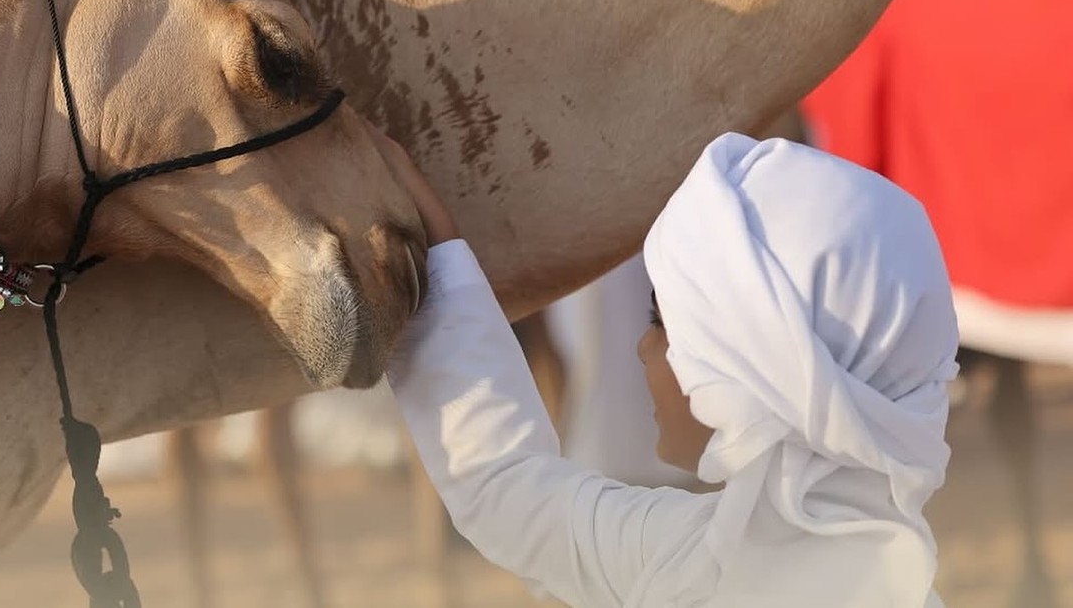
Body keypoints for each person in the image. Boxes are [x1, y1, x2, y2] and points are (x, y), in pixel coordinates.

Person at [370, 128, 959, 607]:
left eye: (665, 321)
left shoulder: (679, 560)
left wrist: (439, 265)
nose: (643, 349)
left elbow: (508, 492)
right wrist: (441, 259)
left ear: (756, 365)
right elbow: (514, 492)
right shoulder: (701, 551)